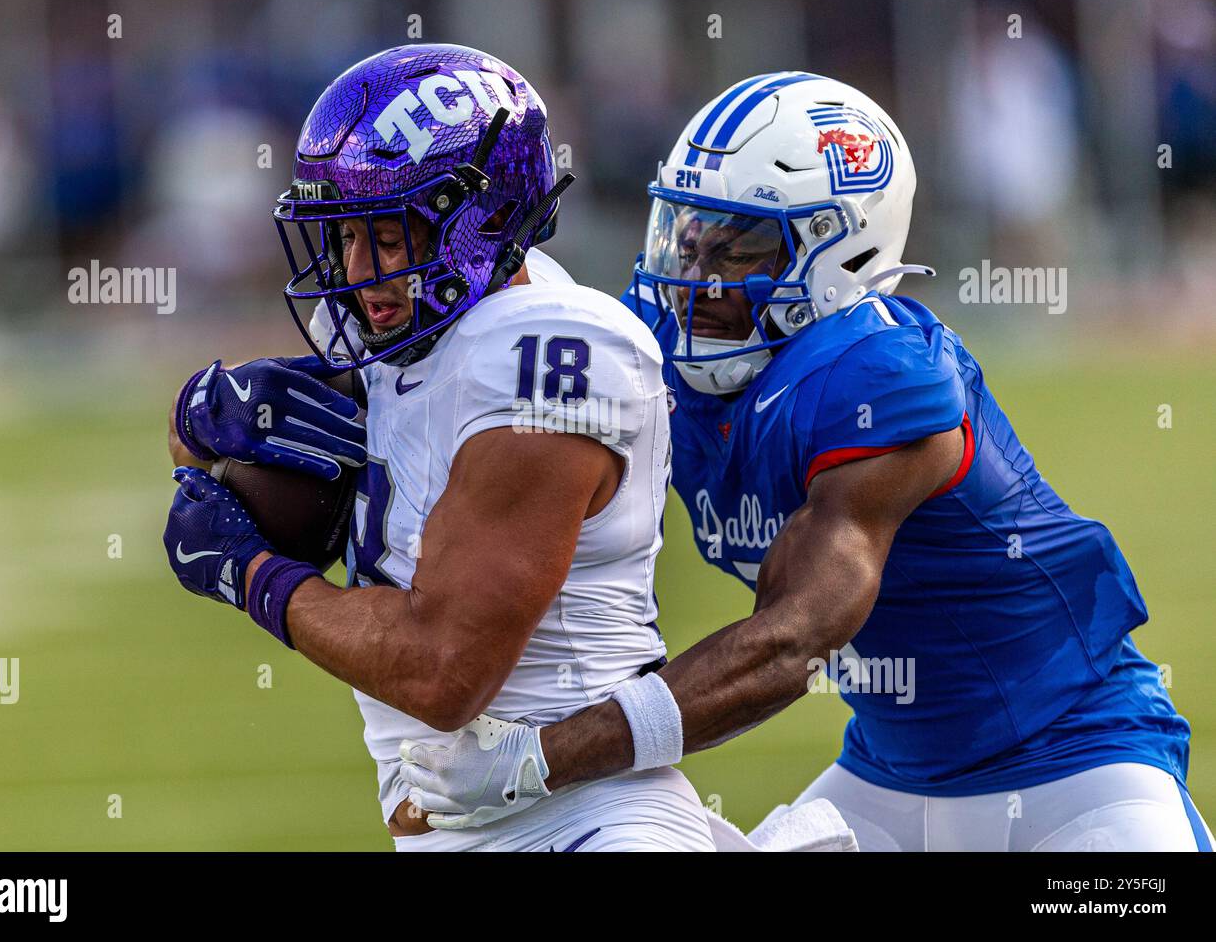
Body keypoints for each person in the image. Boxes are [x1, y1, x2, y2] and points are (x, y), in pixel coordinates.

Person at [398, 72, 1212, 852]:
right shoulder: (655, 346)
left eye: (737, 248)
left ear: (841, 255)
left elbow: (792, 642)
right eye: (687, 234)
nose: (694, 279)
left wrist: (543, 759)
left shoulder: (877, 373)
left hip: (1075, 766)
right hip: (886, 777)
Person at [161, 43, 714, 852]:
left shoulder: (551, 356)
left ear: (477, 224)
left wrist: (249, 574)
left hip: (586, 822)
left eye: (386, 234)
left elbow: (442, 670)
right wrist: (204, 415)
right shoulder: (410, 318)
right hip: (459, 831)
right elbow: (229, 439)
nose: (356, 270)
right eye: (343, 234)